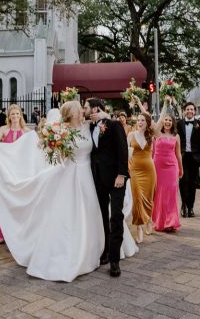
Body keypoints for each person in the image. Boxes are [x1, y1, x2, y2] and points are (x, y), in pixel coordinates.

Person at [0, 101, 136, 281]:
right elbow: (43, 144)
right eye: (80, 110)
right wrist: (48, 143)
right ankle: (74, 251)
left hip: (90, 175)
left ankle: (105, 250)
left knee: (96, 211)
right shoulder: (61, 130)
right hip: (71, 174)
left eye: (83, 109)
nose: (83, 111)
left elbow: (109, 127)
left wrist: (105, 115)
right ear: (72, 114)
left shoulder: (90, 125)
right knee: (71, 213)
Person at [84, 97, 130, 277]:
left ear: (95, 108)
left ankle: (115, 260)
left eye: (86, 107)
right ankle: (105, 251)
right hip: (98, 179)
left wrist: (121, 174)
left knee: (116, 216)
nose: (84, 109)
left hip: (116, 178)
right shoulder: (89, 126)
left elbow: (122, 150)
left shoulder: (114, 125)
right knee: (102, 216)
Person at [0, 104, 31, 244]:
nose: (15, 117)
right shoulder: (3, 129)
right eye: (12, 114)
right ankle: (1, 231)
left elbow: (34, 147)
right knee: (3, 199)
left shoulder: (26, 132)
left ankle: (19, 231)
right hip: (5, 172)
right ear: (9, 116)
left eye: (17, 114)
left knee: (20, 201)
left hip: (20, 172)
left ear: (21, 115)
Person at [151, 102, 183, 232]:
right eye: (166, 120)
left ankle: (170, 222)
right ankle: (160, 221)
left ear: (173, 122)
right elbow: (151, 119)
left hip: (172, 167)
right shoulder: (157, 134)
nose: (168, 122)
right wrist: (164, 103)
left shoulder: (176, 136)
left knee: (171, 193)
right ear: (162, 122)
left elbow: (178, 154)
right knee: (159, 194)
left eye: (170, 120)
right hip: (158, 167)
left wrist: (181, 168)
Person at [128, 101, 158, 243]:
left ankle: (149, 219)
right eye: (138, 120)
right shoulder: (131, 135)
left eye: (142, 120)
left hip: (149, 171)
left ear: (147, 122)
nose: (139, 122)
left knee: (148, 197)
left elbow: (153, 122)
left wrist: (139, 103)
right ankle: (139, 227)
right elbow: (126, 154)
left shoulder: (151, 135)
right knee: (137, 199)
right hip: (135, 170)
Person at [177, 102, 200, 218]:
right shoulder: (179, 124)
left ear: (194, 111)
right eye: (187, 109)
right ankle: (183, 205)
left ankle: (191, 207)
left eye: (192, 109)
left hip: (195, 158)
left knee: (192, 183)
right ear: (184, 111)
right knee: (183, 181)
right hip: (182, 157)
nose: (190, 111)